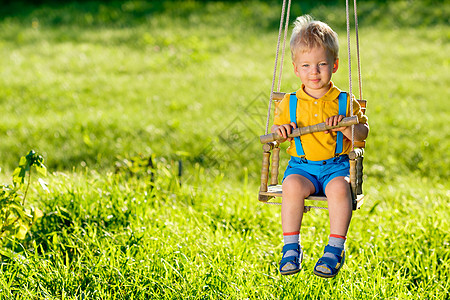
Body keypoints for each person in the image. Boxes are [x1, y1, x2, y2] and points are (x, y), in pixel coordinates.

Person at [272, 15, 369, 278]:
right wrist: (280, 132)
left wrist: (348, 128)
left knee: (340, 189)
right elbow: (276, 133)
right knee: (291, 186)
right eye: (306, 65)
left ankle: (335, 248)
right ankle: (291, 247)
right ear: (296, 69)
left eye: (321, 64)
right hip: (302, 168)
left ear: (334, 65)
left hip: (336, 166)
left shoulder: (344, 101)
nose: (313, 72)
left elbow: (363, 132)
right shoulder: (291, 103)